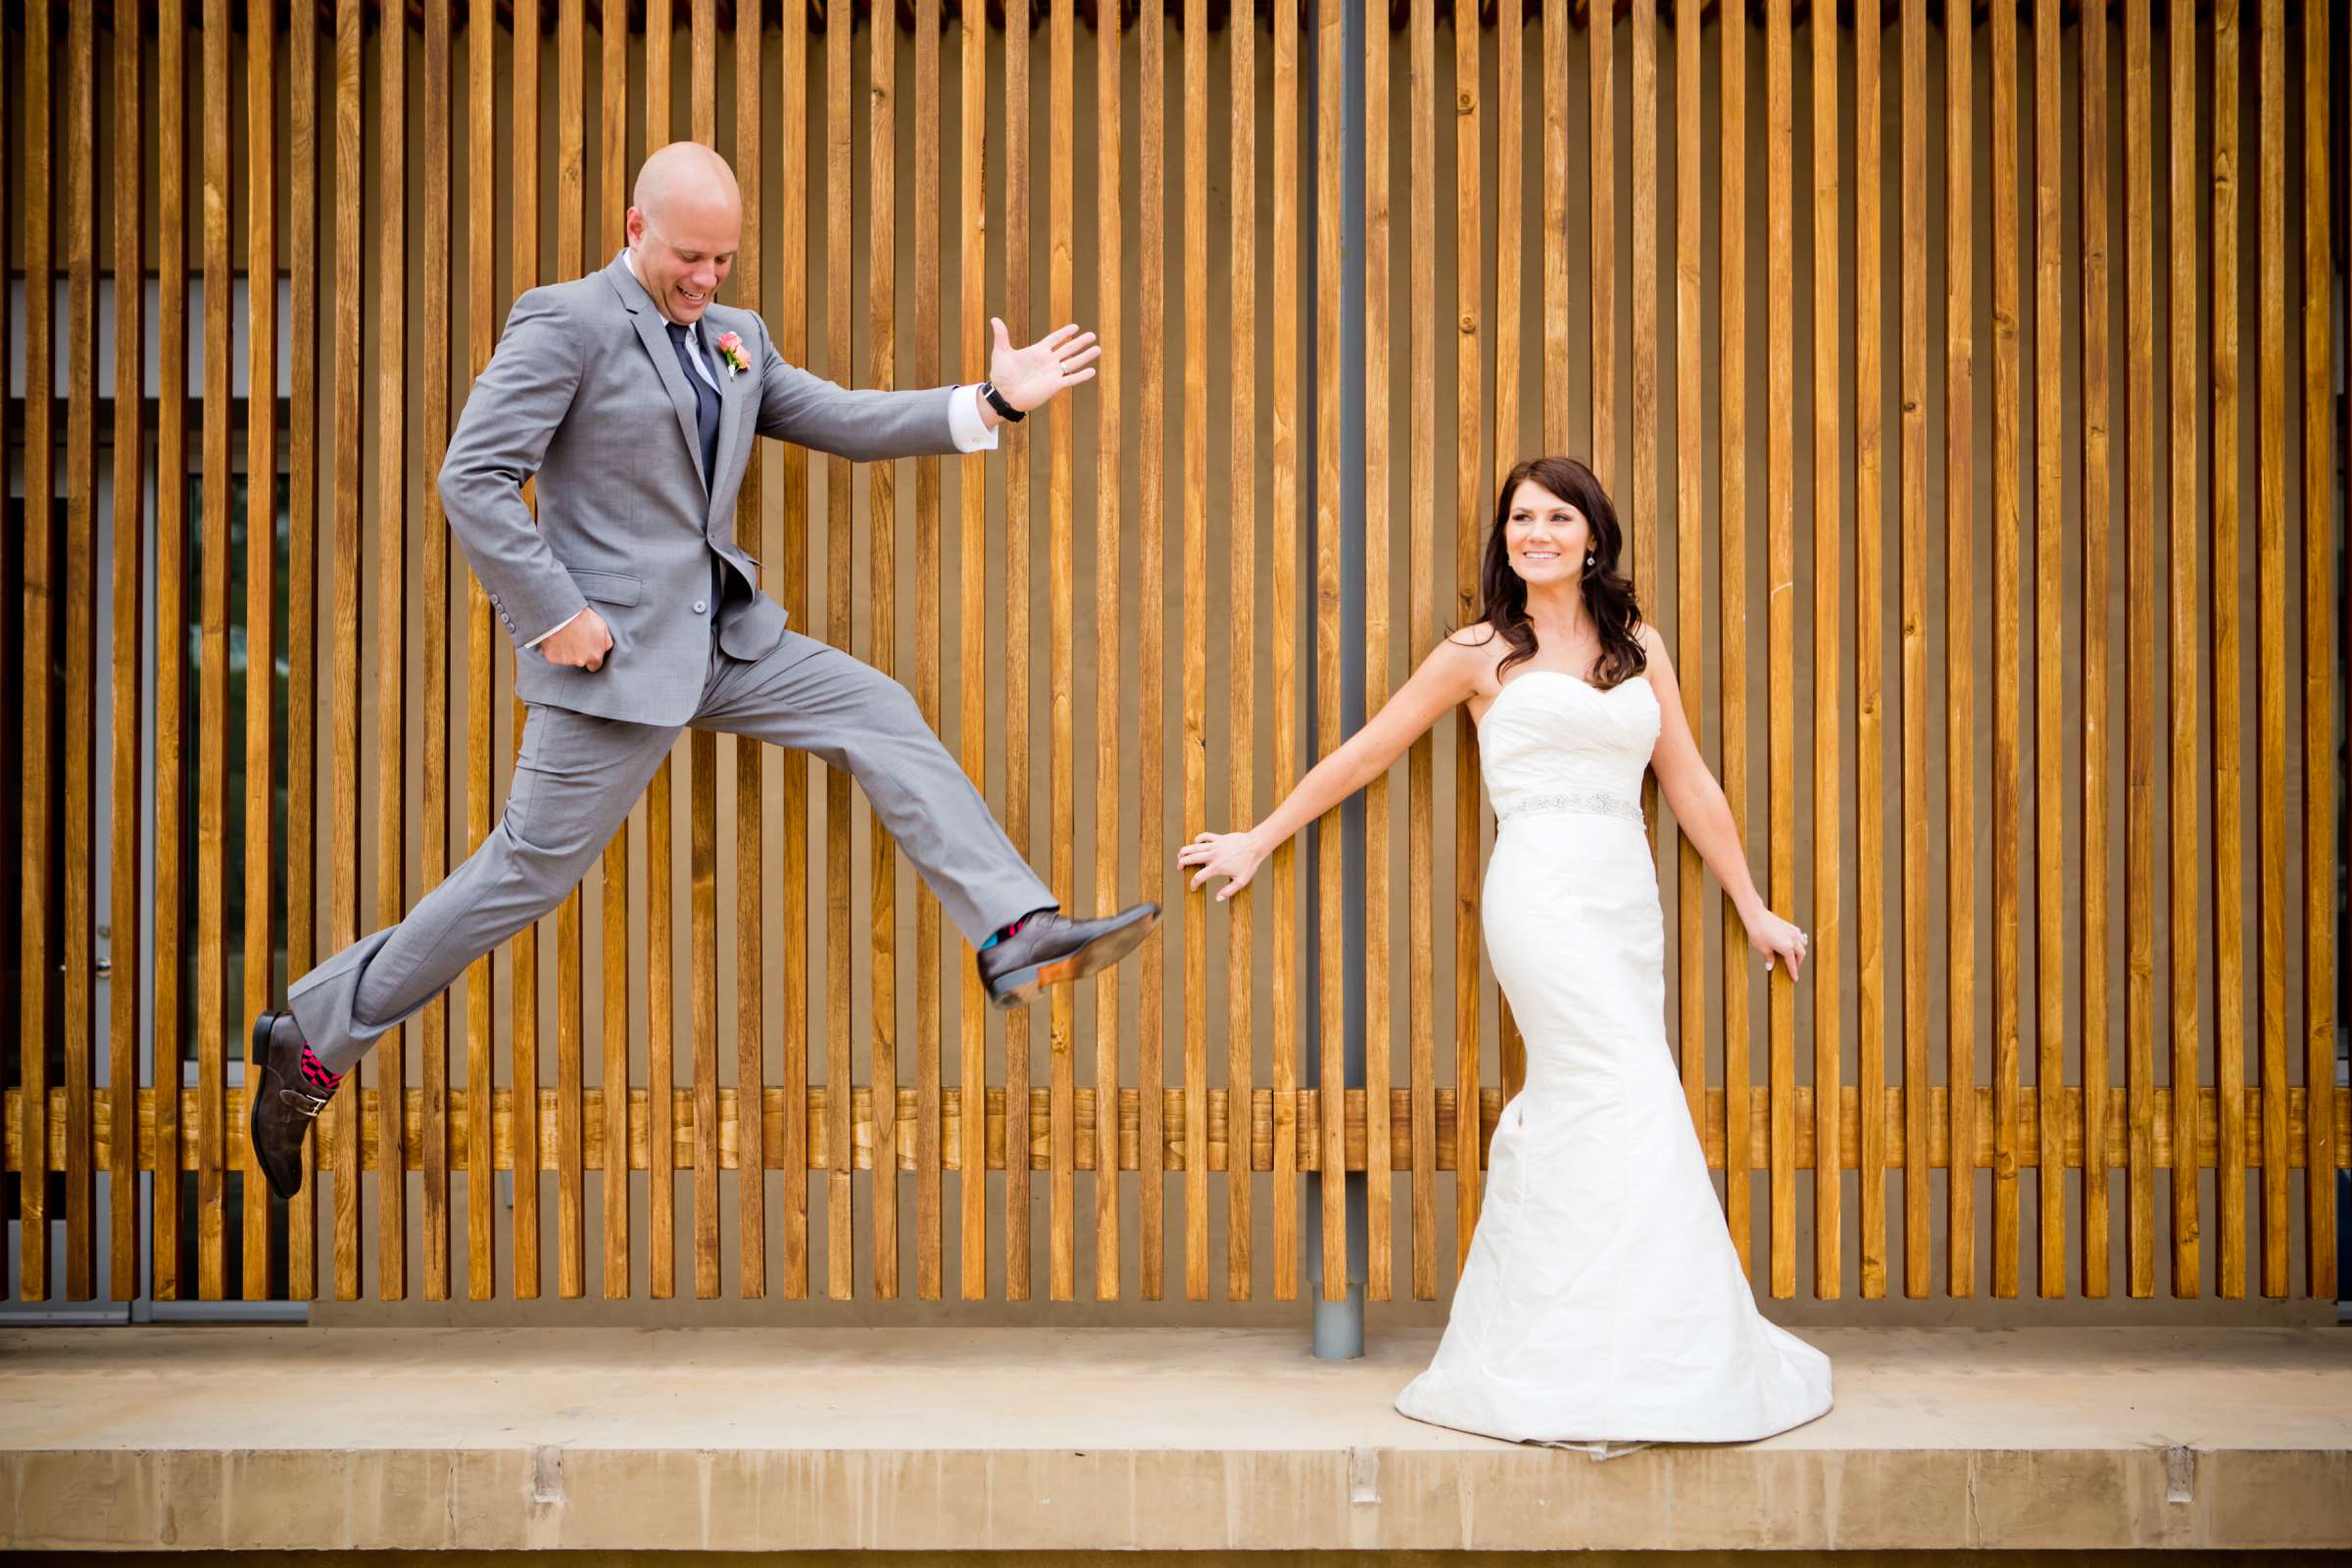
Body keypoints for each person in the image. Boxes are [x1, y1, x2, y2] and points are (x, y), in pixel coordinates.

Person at [248, 141, 1158, 1201]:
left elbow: (840, 418)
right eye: (690, 256)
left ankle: (1013, 931)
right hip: (613, 660)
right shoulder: (567, 321)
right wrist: (556, 616)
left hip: (727, 642)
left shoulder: (736, 339)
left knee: (876, 707)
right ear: (635, 229)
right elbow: (473, 478)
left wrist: (987, 406)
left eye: (724, 260)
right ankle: (316, 1034)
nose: (707, 279)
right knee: (522, 876)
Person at [1180, 455, 1831, 1448]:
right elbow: (1370, 749)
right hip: (1540, 895)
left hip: (1624, 895)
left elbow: (1691, 783)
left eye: (1556, 517)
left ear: (1591, 536)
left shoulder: (1637, 646)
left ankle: (1637, 1340)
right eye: (1520, 518)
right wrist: (1258, 837)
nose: (1536, 532)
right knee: (1615, 1083)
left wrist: (1752, 905)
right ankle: (1565, 1350)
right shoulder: (1479, 650)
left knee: (1618, 1100)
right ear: (1506, 537)